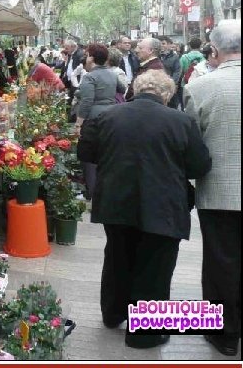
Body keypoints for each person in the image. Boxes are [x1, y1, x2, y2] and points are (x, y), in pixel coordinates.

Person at [78, 70, 212, 349]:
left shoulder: (106, 117)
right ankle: (145, 333)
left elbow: (86, 153)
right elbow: (200, 165)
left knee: (117, 255)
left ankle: (113, 313)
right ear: (167, 94)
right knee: (155, 265)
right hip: (163, 204)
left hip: (116, 201)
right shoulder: (182, 122)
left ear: (135, 90)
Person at [183, 19, 241, 357]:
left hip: (219, 190)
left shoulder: (201, 87)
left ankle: (225, 333)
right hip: (218, 190)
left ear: (215, 50)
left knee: (221, 260)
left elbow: (191, 145)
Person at [75, 44, 127, 199]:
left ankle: (92, 193)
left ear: (92, 57)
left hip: (93, 119)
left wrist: (78, 124)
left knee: (89, 157)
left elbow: (87, 102)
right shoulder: (112, 73)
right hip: (112, 116)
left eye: (87, 55)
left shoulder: (89, 77)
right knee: (107, 154)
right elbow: (122, 88)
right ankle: (108, 190)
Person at [60, 39, 85, 119]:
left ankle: (73, 117)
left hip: (76, 82)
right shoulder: (71, 54)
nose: (66, 50)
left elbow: (81, 69)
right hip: (70, 81)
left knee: (75, 100)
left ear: (73, 47)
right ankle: (69, 116)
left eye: (67, 48)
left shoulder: (80, 54)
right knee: (69, 99)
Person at [159, 36, 182, 108]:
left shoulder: (175, 57)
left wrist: (172, 83)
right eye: (160, 44)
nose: (161, 46)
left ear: (169, 45)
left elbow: (177, 71)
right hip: (158, 87)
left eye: (163, 43)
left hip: (169, 86)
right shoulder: (156, 56)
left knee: (171, 106)